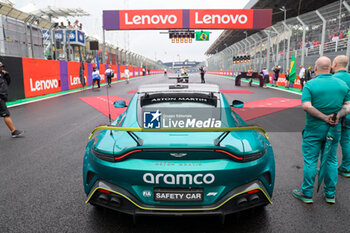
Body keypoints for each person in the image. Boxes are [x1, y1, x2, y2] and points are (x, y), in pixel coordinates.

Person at [292, 56, 350, 204]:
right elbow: (348, 106)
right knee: (331, 159)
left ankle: (307, 193)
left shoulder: (310, 85)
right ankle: (330, 194)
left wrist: (324, 117)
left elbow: (306, 106)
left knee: (311, 161)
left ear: (315, 68)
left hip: (313, 129)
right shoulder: (342, 84)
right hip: (334, 129)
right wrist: (337, 116)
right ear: (330, 68)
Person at [332, 55, 350, 177]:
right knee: (347, 140)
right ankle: (346, 166)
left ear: (335, 63)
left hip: (338, 114)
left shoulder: (332, 78)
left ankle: (327, 168)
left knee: (331, 142)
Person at [0, 62, 24, 138]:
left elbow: (8, 83)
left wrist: (7, 75)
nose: (1, 68)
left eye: (2, 66)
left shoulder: (2, 75)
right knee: (6, 114)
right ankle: (14, 131)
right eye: (0, 67)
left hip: (2, 97)